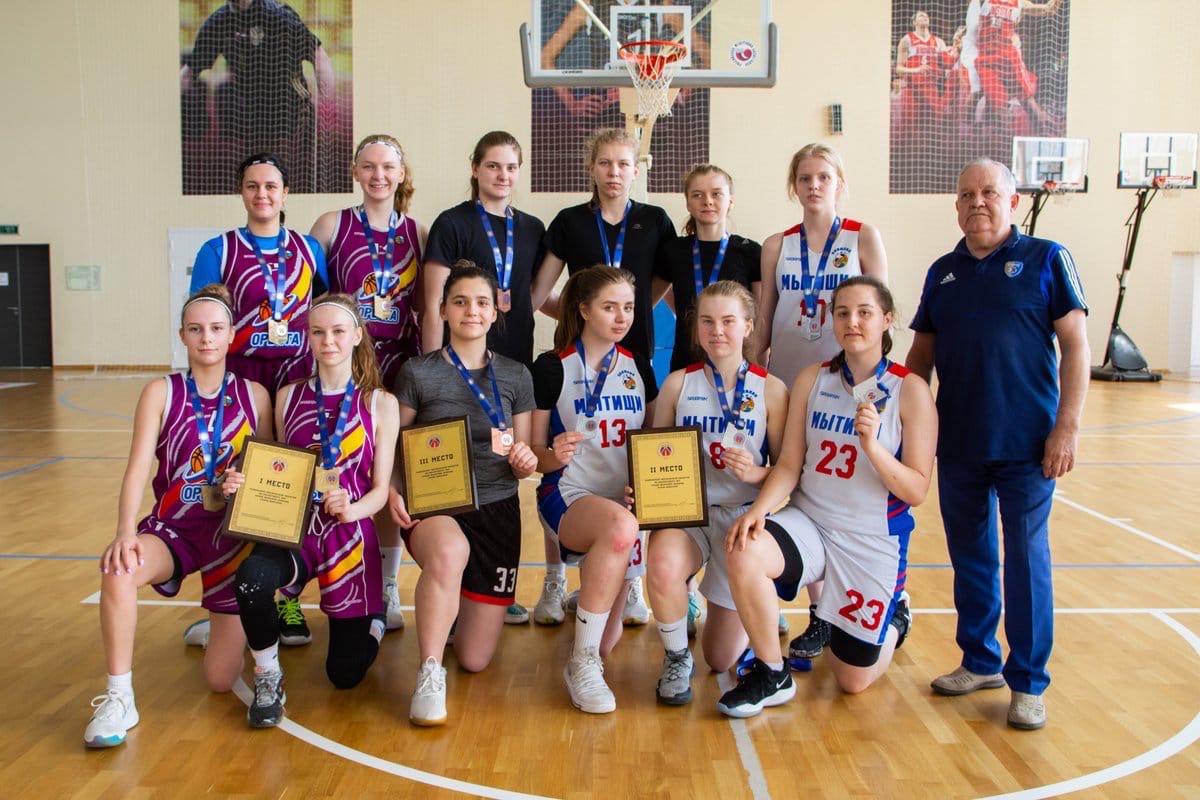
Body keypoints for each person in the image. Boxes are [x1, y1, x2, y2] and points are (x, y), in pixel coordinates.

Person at [905, 157, 1088, 731]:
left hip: (1028, 444)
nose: (977, 202)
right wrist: (905, 427)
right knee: (971, 557)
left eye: (988, 192)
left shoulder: (1047, 259)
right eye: (966, 195)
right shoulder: (943, 272)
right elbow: (920, 359)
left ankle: (1028, 682)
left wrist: (1067, 426)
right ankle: (980, 661)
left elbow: (1077, 347)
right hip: (959, 441)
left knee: (1026, 560)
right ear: (956, 207)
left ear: (1013, 202)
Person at [722, 276, 937, 718]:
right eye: (843, 313)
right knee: (745, 547)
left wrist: (874, 447)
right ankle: (772, 672)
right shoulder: (812, 379)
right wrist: (758, 511)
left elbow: (916, 490)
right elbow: (789, 465)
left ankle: (895, 617)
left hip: (870, 538)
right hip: (811, 522)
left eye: (864, 313)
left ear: (887, 320)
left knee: (851, 680)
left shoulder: (909, 390)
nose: (852, 322)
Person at [84, 285, 271, 748]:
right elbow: (136, 470)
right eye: (195, 329)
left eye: (216, 329)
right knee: (118, 569)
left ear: (232, 334)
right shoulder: (160, 392)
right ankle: (119, 696)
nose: (206, 338)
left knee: (221, 680)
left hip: (231, 539)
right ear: (183, 336)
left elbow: (269, 471)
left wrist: (244, 480)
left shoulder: (255, 395)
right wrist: (124, 533)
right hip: (174, 530)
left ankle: (219, 628)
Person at [224, 294, 400, 728]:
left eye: (338, 331)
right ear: (308, 337)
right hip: (296, 530)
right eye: (318, 332)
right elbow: (275, 468)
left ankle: (375, 619)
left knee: (345, 675)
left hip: (349, 534)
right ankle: (268, 675)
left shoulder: (381, 402)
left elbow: (381, 490)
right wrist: (239, 484)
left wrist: (353, 508)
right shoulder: (286, 397)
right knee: (251, 580)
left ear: (357, 335)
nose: (328, 341)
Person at [531, 128, 675, 626]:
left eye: (624, 163)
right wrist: (586, 316)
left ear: (637, 170)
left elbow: (665, 284)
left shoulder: (655, 220)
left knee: (626, 465)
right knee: (566, 461)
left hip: (632, 359)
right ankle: (554, 580)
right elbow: (538, 293)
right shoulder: (570, 221)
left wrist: (622, 314)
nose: (615, 172)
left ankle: (630, 583)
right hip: (577, 356)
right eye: (606, 163)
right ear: (590, 167)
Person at [388, 263, 538, 726]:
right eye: (460, 302)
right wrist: (393, 489)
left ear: (495, 312)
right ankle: (430, 671)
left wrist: (525, 462)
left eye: (481, 302)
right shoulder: (417, 372)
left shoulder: (516, 375)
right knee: (449, 552)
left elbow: (524, 451)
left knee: (474, 658)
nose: (471, 311)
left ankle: (452, 609)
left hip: (497, 509)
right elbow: (393, 442)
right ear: (443, 311)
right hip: (437, 505)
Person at [189, 152, 328, 647]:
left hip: (296, 383)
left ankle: (287, 598)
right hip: (241, 385)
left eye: (271, 186)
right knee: (235, 490)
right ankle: (227, 610)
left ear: (285, 193)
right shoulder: (218, 250)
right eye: (252, 185)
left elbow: (325, 311)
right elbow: (202, 319)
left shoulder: (310, 249)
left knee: (291, 489)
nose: (262, 194)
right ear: (242, 192)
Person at [758, 143, 889, 654]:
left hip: (843, 386)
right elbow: (764, 318)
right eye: (805, 177)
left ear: (839, 182)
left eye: (824, 177)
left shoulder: (862, 236)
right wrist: (752, 374)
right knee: (792, 490)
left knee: (836, 495)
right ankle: (813, 612)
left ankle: (863, 599)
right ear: (793, 185)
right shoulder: (777, 245)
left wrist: (877, 388)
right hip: (787, 384)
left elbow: (878, 313)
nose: (814, 186)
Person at [421, 131, 548, 627]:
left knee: (503, 469)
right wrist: (433, 368)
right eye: (493, 165)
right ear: (475, 168)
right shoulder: (452, 223)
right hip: (457, 366)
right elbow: (434, 302)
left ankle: (492, 583)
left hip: (509, 367)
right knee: (454, 469)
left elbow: (535, 294)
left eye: (512, 167)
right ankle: (451, 585)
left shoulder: (531, 227)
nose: (503, 175)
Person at [644, 281, 787, 705]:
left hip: (741, 519)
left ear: (748, 326)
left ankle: (755, 604)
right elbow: (654, 455)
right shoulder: (677, 384)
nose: (717, 330)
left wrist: (757, 472)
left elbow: (787, 470)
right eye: (707, 321)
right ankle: (675, 656)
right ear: (696, 328)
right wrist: (645, 489)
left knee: (720, 657)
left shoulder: (771, 389)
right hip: (689, 513)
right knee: (662, 564)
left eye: (728, 321)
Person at [310, 134, 426, 633]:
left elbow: (426, 306)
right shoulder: (331, 225)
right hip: (347, 364)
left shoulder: (419, 232)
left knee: (390, 475)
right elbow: (308, 300)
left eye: (388, 167)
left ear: (401, 174)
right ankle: (319, 578)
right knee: (340, 468)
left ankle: (388, 584)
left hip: (400, 362)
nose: (379, 175)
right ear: (356, 172)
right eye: (369, 166)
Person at [531, 267, 658, 713]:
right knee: (620, 529)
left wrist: (651, 487)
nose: (622, 317)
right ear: (584, 310)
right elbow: (534, 454)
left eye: (628, 307)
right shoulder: (552, 367)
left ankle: (589, 606)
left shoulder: (639, 365)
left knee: (609, 640)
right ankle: (579, 663)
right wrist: (553, 454)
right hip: (569, 494)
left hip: (624, 506)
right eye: (609, 307)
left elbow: (654, 440)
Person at [180, 0, 335, 193]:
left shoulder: (279, 16)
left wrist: (327, 104)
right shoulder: (218, 22)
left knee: (288, 174)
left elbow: (319, 56)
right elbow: (190, 70)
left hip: (290, 106)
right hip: (251, 110)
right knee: (255, 173)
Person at [653, 165, 761, 372]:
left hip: (736, 363)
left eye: (716, 194)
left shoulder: (750, 251)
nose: (708, 201)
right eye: (698, 195)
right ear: (688, 203)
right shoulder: (674, 251)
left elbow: (759, 316)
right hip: (686, 360)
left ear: (730, 202)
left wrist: (760, 359)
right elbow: (651, 300)